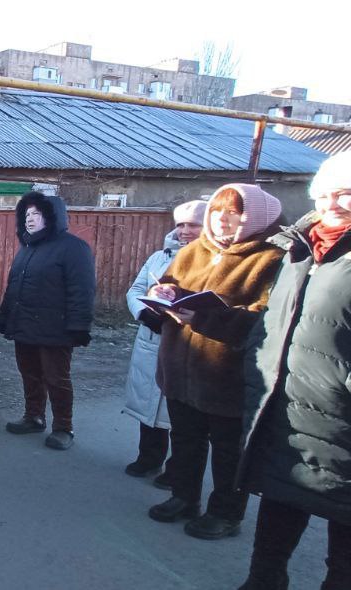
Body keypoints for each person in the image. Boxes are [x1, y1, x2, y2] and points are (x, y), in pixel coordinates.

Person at [236, 152, 351, 589]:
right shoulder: (300, 248)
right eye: (323, 193)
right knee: (280, 500)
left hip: (342, 419)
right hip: (284, 407)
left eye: (346, 193)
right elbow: (274, 319)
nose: (331, 203)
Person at [145, 184, 283, 541]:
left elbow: (268, 317)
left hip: (227, 374)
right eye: (217, 211)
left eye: (233, 213)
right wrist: (163, 293)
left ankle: (225, 513)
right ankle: (184, 497)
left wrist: (204, 319)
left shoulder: (271, 258)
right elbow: (171, 284)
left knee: (228, 449)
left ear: (255, 217)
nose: (222, 219)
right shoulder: (194, 250)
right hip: (180, 367)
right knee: (185, 437)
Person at [0, 191, 96, 451]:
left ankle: (63, 427)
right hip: (24, 326)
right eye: (27, 214)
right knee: (30, 374)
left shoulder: (74, 248)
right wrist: (5, 316)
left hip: (56, 329)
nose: (29, 219)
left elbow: (82, 291)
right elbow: (13, 288)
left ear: (52, 217)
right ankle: (34, 416)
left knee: (56, 378)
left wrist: (79, 326)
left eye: (37, 214)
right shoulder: (27, 249)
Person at [121, 199, 206, 487]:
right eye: (181, 224)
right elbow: (136, 289)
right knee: (148, 397)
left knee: (179, 410)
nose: (185, 231)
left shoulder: (212, 261)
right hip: (152, 336)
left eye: (193, 225)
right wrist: (144, 313)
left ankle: (177, 469)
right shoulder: (160, 256)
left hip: (187, 341)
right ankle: (149, 457)